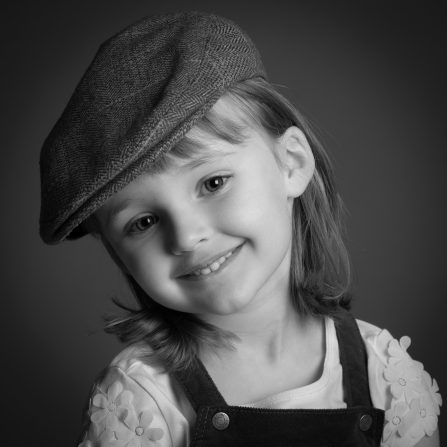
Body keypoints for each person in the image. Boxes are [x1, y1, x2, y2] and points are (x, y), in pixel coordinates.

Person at [39, 12, 441, 447]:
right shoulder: (142, 401)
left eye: (213, 183)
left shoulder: (383, 370)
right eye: (144, 222)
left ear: (291, 164)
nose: (187, 237)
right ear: (118, 253)